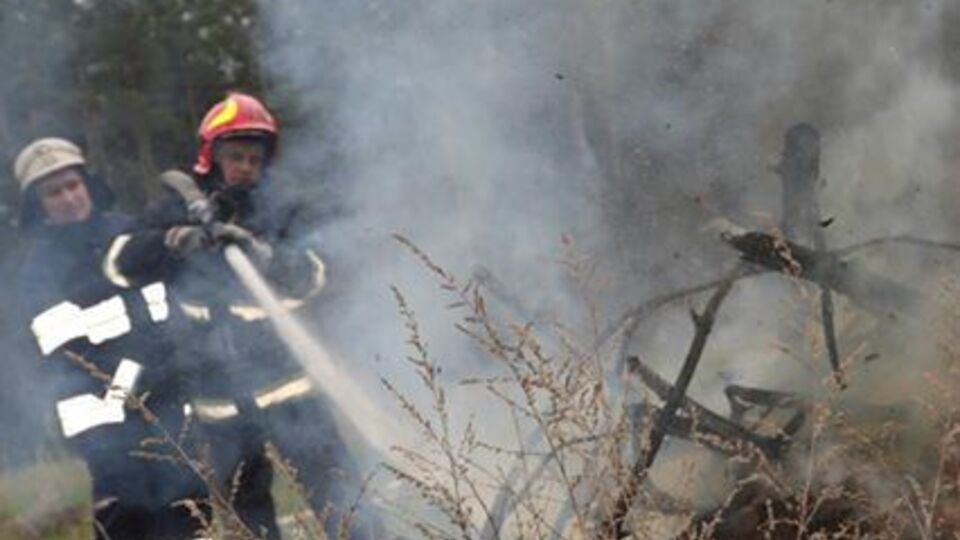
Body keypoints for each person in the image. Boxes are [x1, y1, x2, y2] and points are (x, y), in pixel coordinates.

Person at [102, 93, 368, 539]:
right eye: (235, 156)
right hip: (219, 405)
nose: (246, 166)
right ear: (211, 156)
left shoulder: (282, 209)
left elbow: (315, 276)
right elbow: (117, 263)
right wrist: (173, 239)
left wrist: (264, 256)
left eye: (253, 158)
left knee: (344, 502)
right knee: (250, 522)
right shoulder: (177, 207)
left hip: (292, 393)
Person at [12, 137, 209, 539]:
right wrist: (136, 371)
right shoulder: (38, 270)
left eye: (73, 185)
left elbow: (174, 297)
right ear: (39, 206)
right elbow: (65, 351)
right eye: (54, 193)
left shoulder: (128, 231)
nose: (68, 198)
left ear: (88, 184)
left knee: (189, 516)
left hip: (170, 404)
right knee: (129, 522)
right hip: (105, 428)